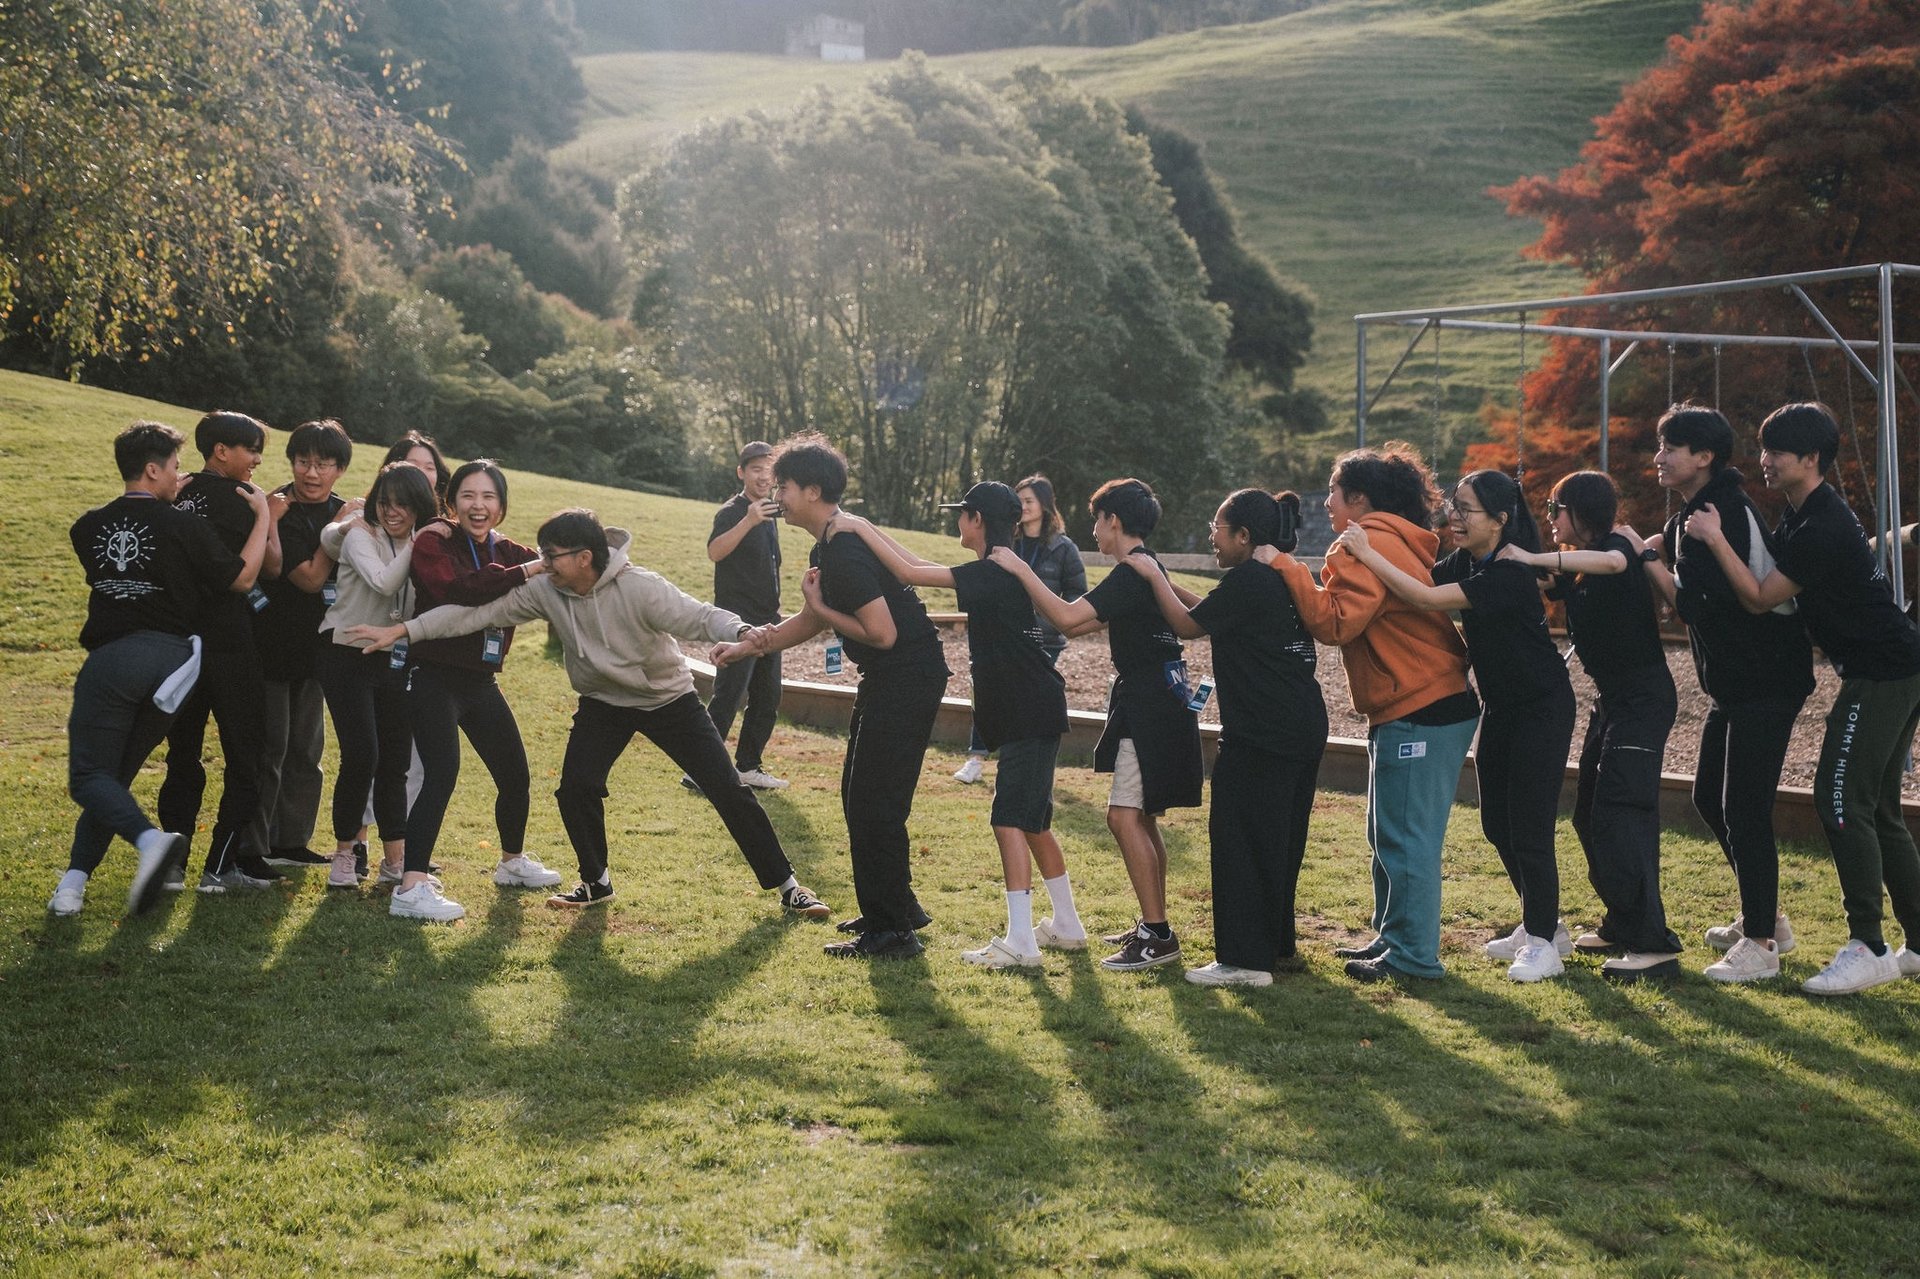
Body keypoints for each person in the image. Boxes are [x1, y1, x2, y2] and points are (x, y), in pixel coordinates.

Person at [348, 509, 833, 919]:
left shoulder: (639, 586)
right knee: (575, 788)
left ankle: (789, 886)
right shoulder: (546, 589)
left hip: (667, 700)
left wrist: (744, 630)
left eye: (551, 555)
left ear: (584, 557)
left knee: (725, 787)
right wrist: (407, 631)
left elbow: (699, 615)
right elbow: (473, 615)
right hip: (603, 703)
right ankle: (595, 882)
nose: (543, 564)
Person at [1685, 401, 1920, 995]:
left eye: (1777, 453)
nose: (1764, 462)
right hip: (1892, 667)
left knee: (1838, 800)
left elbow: (1761, 598)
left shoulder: (1818, 525)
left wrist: (1714, 539)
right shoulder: (1804, 517)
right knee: (1880, 809)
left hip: (1883, 672)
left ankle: (1867, 944)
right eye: (1762, 450)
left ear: (1810, 459)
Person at [709, 434, 948, 960]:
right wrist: (749, 645)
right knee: (859, 794)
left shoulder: (844, 550)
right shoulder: (830, 545)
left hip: (907, 677)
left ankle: (892, 932)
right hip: (891, 678)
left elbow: (879, 632)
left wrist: (817, 602)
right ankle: (895, 908)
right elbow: (810, 620)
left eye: (785, 486)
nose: (777, 495)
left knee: (873, 801)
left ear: (813, 491)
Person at [1338, 468, 1576, 984]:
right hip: (1502, 708)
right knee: (1496, 824)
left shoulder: (1508, 573)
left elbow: (1424, 599)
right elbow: (1421, 578)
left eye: (1466, 510)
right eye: (1454, 507)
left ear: (1500, 520)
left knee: (1530, 829)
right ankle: (1547, 925)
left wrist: (1365, 550)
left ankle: (1540, 942)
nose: (1454, 518)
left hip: (1542, 707)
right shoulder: (1470, 560)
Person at [832, 482, 1084, 968]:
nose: (957, 523)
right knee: (1033, 822)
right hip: (1030, 706)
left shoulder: (994, 572)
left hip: (1027, 708)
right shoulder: (996, 566)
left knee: (1010, 819)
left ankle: (1021, 943)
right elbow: (912, 565)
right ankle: (1066, 926)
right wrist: (870, 533)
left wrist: (859, 524)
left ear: (975, 520)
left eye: (960, 515)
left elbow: (908, 571)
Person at [1258, 444, 1478, 983]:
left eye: (1333, 492)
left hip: (1420, 704)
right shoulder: (1395, 538)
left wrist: (1286, 567)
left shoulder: (1364, 544)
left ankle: (1413, 957)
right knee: (1391, 834)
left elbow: (1336, 623)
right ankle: (1392, 938)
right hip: (1423, 701)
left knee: (1406, 839)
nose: (1327, 503)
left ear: (1358, 498)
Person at [50, 421, 270, 917]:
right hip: (172, 664)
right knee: (109, 777)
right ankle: (72, 885)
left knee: (94, 775)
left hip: (115, 660)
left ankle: (148, 844)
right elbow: (242, 578)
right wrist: (262, 518)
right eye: (173, 467)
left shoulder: (86, 527)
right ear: (152, 469)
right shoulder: (183, 526)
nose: (179, 475)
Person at [1627, 404, 1812, 983]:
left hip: (1767, 682)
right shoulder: (1695, 513)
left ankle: (1759, 943)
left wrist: (1647, 556)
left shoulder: (1721, 510)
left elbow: (1696, 606)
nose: (1659, 457)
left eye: (1670, 447)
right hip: (1735, 686)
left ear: (1704, 457)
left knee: (1744, 808)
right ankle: (1768, 919)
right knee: (1711, 797)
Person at [990, 477, 1204, 973]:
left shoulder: (1132, 572)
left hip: (1150, 706)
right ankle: (1156, 925)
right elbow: (1083, 622)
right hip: (1158, 702)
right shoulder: (1145, 568)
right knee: (1143, 817)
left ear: (1114, 521)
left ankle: (1157, 935)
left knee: (1123, 816)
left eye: (1097, 520)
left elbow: (1066, 618)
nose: (1094, 530)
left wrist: (1020, 568)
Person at [1118, 489, 1327, 987]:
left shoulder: (1250, 578)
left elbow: (1189, 626)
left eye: (1218, 527)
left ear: (1244, 536)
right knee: (1279, 838)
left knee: (1239, 838)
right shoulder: (1269, 577)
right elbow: (1211, 612)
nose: (1212, 537)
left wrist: (1151, 574)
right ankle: (1275, 946)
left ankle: (1244, 961)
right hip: (1300, 723)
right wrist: (1166, 584)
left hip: (1263, 731)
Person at [1499, 472, 1681, 981]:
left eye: (1556, 507)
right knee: (1588, 815)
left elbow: (1615, 562)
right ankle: (1623, 921)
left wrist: (1535, 558)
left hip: (1643, 701)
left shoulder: (1616, 546)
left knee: (1622, 815)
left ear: (1583, 511)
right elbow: (1550, 575)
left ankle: (1653, 946)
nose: (1552, 517)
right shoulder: (1579, 566)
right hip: (1613, 703)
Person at [395, 459, 563, 922]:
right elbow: (460, 589)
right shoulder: (434, 540)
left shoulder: (507, 548)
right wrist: (526, 572)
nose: (478, 505)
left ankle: (511, 863)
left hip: (480, 681)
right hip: (431, 675)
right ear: (452, 502)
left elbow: (555, 564)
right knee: (440, 774)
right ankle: (410, 886)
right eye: (468, 495)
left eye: (489, 497)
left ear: (502, 507)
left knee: (514, 774)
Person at [157, 410, 286, 891]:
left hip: (180, 648)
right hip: (231, 645)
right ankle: (221, 866)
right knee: (246, 754)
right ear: (221, 452)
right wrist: (265, 516)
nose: (255, 460)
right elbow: (261, 573)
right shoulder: (244, 499)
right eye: (251, 450)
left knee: (183, 754)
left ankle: (172, 864)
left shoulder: (177, 492)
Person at [316, 462, 434, 889]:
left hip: (393, 657)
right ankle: (344, 854)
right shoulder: (360, 535)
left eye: (402, 504)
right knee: (362, 754)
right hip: (346, 653)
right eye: (385, 502)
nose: (391, 511)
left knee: (396, 761)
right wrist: (419, 543)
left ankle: (395, 860)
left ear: (419, 505)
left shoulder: (425, 540)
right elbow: (384, 584)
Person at [251, 419, 353, 870]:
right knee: (269, 748)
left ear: (339, 468)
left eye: (323, 464)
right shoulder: (277, 508)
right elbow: (309, 578)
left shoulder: (347, 509)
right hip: (270, 643)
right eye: (303, 462)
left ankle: (292, 842)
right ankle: (254, 845)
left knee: (307, 750)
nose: (311, 473)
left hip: (321, 650)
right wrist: (336, 527)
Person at [953, 475, 1085, 785]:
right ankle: (978, 756)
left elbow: (1076, 596)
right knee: (996, 683)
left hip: (1045, 638)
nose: (1024, 507)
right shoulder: (1007, 546)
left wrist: (1045, 613)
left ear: (1044, 505)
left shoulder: (1062, 548)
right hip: (1009, 638)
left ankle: (1020, 767)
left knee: (1019, 694)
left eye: (1029, 501)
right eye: (1019, 501)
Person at [699, 441, 789, 791]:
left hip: (770, 617)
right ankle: (701, 767)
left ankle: (749, 766)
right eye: (755, 469)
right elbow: (714, 551)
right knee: (729, 695)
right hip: (738, 619)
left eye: (769, 470)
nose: (763, 476)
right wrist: (748, 521)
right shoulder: (733, 511)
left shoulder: (769, 512)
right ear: (741, 472)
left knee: (767, 698)